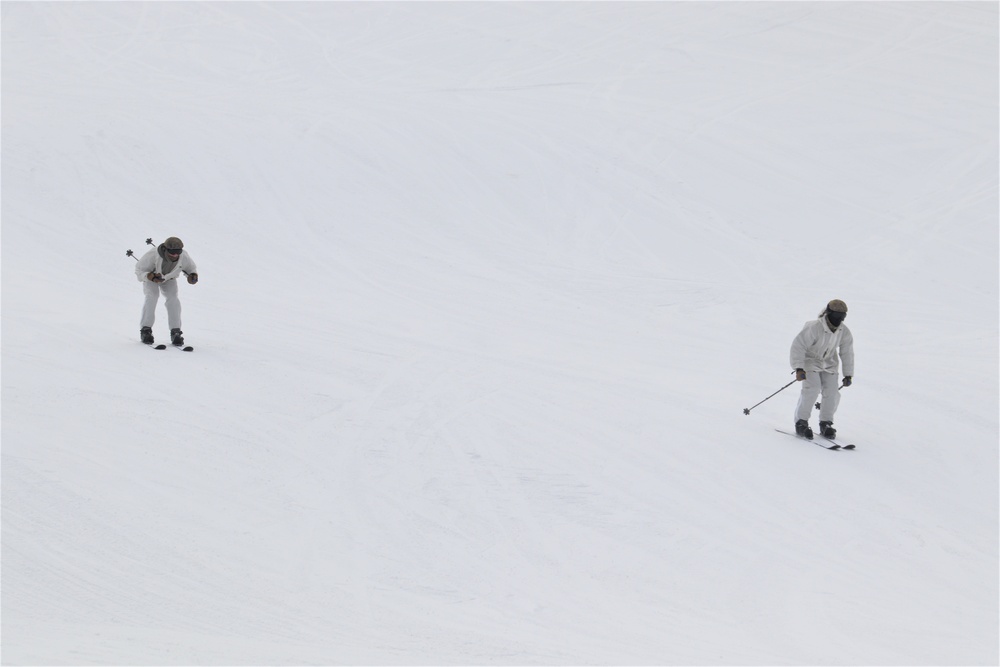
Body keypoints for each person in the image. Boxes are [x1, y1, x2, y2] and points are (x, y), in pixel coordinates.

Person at [789, 299, 854, 439]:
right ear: (829, 313)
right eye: (836, 316)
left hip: (830, 363)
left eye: (842, 317)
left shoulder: (844, 331)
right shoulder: (814, 327)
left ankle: (826, 423)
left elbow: (847, 352)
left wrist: (848, 374)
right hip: (810, 361)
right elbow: (798, 346)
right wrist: (799, 368)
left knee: (832, 392)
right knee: (812, 388)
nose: (839, 320)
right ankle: (801, 422)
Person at [134, 236, 198, 346]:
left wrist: (192, 275)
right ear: (165, 249)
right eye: (172, 252)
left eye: (178, 252)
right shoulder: (153, 254)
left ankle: (176, 332)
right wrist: (150, 276)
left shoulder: (183, 256)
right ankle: (146, 330)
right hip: (152, 278)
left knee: (173, 299)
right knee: (152, 296)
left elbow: (191, 267)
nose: (175, 255)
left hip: (169, 279)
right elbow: (139, 269)